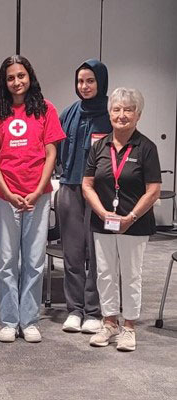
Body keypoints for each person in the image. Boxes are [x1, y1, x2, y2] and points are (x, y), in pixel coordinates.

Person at [0, 55, 65, 343]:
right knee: (7, 261)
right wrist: (7, 192)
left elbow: (51, 154)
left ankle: (28, 320)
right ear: (4, 82)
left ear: (30, 76)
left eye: (21, 76)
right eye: (10, 78)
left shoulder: (46, 109)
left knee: (33, 260)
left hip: (37, 197)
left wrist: (37, 190)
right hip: (5, 197)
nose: (17, 82)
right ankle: (8, 320)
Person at [83, 87, 161, 352]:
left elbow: (153, 191)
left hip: (134, 224)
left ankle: (129, 327)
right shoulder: (99, 146)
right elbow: (87, 184)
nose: (122, 115)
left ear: (138, 115)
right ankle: (109, 323)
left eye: (128, 110)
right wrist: (101, 212)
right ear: (110, 113)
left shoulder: (146, 147)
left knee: (130, 275)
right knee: (104, 274)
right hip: (102, 222)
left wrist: (131, 216)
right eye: (117, 109)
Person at [57, 59, 112, 334]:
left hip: (100, 193)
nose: (85, 86)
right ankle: (74, 310)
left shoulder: (112, 113)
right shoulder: (68, 113)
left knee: (98, 253)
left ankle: (94, 311)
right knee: (73, 253)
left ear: (101, 82)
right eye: (80, 81)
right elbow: (54, 147)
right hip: (69, 188)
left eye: (90, 81)